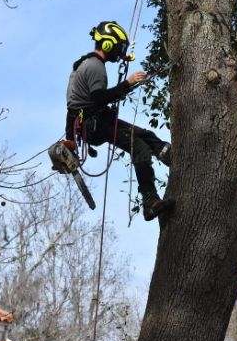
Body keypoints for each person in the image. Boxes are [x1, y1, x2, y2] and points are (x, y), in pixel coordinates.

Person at [65, 21, 174, 221]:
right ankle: (150, 202)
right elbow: (99, 98)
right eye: (118, 47)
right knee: (139, 147)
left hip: (91, 124)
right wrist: (128, 82)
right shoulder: (95, 66)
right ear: (107, 44)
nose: (119, 52)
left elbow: (72, 111)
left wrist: (70, 138)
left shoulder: (84, 64)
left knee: (146, 136)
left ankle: (171, 157)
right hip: (95, 126)